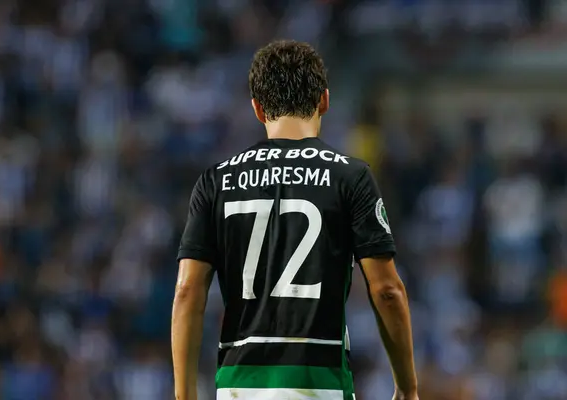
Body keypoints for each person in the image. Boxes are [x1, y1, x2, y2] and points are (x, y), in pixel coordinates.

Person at [172, 40, 418, 400]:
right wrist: (407, 387)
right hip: (320, 384)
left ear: (257, 108)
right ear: (324, 100)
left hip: (240, 386)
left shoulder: (217, 180)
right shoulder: (350, 177)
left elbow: (187, 291)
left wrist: (184, 395)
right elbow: (387, 290)